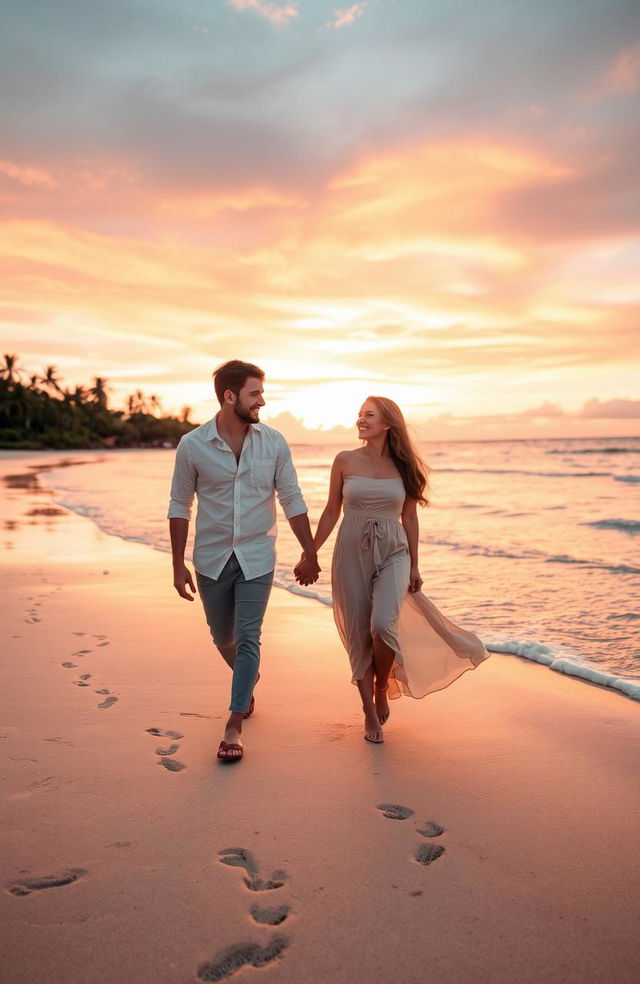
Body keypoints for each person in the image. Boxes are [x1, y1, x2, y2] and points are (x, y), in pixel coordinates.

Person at [295, 396, 488, 743]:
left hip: (393, 551)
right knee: (358, 632)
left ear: (387, 424)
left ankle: (382, 686)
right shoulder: (344, 460)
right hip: (351, 550)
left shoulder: (406, 466)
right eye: (359, 415)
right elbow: (330, 511)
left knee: (383, 624)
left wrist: (415, 564)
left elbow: (410, 517)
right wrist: (311, 553)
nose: (359, 420)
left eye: (368, 415)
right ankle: (368, 710)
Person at [168, 360, 319, 762]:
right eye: (255, 394)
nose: (262, 402)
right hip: (211, 558)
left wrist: (310, 550)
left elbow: (292, 498)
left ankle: (234, 723)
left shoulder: (274, 443)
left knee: (249, 637)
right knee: (224, 638)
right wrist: (177, 563)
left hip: (257, 555)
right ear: (229, 396)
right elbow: (179, 504)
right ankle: (246, 677)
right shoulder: (192, 445)